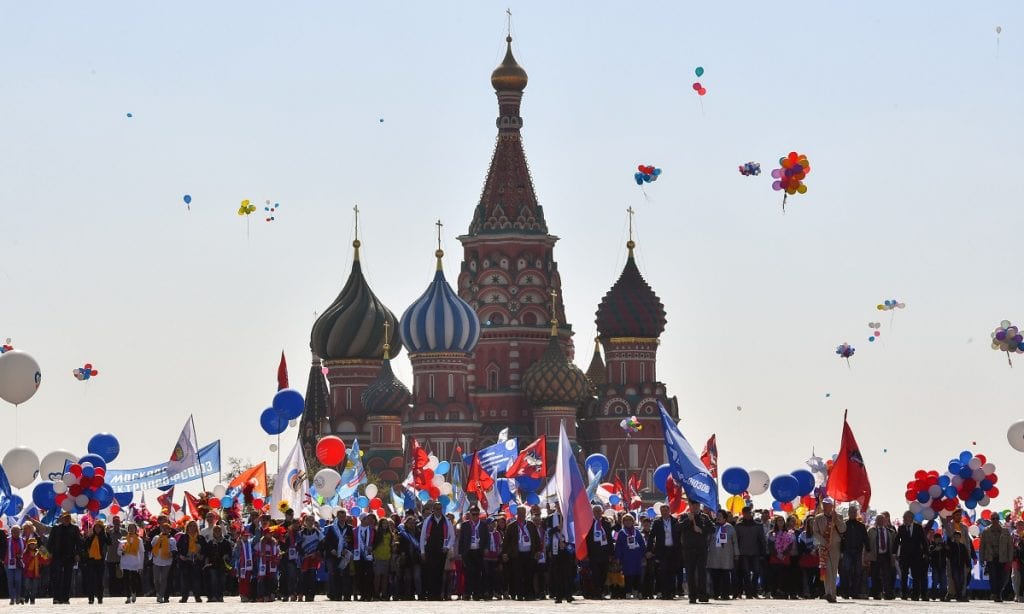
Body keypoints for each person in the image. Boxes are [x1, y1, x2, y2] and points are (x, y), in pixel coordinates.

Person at [811, 497, 846, 603]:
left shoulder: (838, 516)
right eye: (825, 504)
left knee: (833, 570)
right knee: (826, 570)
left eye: (828, 504)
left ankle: (833, 593)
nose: (826, 506)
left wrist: (836, 519)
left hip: (835, 546)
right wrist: (823, 541)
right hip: (823, 546)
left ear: (832, 506)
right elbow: (815, 532)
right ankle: (828, 593)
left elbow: (843, 529)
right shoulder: (818, 518)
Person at [502, 504, 540, 600]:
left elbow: (537, 539)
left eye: (523, 513)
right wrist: (505, 553)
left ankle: (529, 594)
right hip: (516, 554)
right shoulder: (511, 526)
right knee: (517, 575)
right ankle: (519, 594)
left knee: (529, 575)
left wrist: (538, 551)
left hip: (529, 554)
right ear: (517, 513)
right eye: (520, 513)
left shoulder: (531, 525)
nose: (522, 515)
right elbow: (505, 542)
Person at [679, 501, 713, 603]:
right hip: (689, 549)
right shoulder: (684, 516)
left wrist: (702, 529)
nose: (695, 507)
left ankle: (702, 595)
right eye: (693, 505)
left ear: (699, 506)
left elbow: (713, 528)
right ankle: (692, 596)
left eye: (697, 505)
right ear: (690, 506)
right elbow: (677, 528)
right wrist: (688, 521)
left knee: (702, 573)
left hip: (701, 549)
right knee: (690, 573)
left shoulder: (704, 517)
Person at [421, 502, 455, 600]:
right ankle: (431, 594)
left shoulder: (447, 521)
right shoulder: (428, 521)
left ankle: (438, 594)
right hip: (430, 550)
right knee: (430, 572)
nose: (438, 511)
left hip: (441, 551)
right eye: (436, 509)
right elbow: (423, 537)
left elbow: (452, 537)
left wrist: (447, 547)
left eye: (440, 509)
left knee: (440, 573)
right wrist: (422, 552)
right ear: (433, 509)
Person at [647, 504, 678, 600]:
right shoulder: (657, 522)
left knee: (672, 572)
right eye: (662, 511)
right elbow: (651, 537)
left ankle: (672, 592)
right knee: (663, 572)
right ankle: (665, 593)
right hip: (662, 550)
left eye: (666, 510)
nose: (664, 512)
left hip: (673, 550)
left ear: (669, 511)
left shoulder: (675, 521)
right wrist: (649, 550)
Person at [943, 508, 975, 602]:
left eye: (960, 515)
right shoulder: (949, 526)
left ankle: (962, 594)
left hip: (963, 554)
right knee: (950, 575)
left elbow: (968, 542)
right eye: (957, 515)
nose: (959, 517)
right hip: (952, 555)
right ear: (953, 516)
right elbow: (946, 539)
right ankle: (950, 593)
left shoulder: (964, 527)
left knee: (963, 576)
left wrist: (969, 556)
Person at [734, 506, 766, 599]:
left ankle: (754, 591)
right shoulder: (738, 526)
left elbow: (762, 540)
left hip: (755, 553)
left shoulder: (758, 526)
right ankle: (748, 593)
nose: (749, 514)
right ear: (743, 514)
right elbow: (736, 541)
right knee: (746, 573)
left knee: (756, 572)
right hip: (743, 553)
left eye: (750, 512)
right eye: (747, 513)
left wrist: (762, 553)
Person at [894, 511, 928, 600]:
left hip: (916, 556)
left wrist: (926, 553)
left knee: (916, 576)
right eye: (903, 518)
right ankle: (904, 593)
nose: (904, 519)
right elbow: (897, 541)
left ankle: (915, 594)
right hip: (904, 556)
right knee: (904, 575)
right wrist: (894, 553)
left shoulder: (918, 527)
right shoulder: (901, 528)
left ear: (911, 518)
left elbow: (923, 541)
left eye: (905, 517)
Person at [981, 514, 1013, 603]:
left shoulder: (1005, 531)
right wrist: (981, 559)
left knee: (1003, 577)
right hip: (991, 557)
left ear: (999, 519)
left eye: (996, 518)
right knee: (993, 577)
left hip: (1003, 557)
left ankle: (998, 592)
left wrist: (1010, 559)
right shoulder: (986, 531)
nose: (995, 520)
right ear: (991, 519)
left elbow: (1010, 546)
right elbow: (982, 546)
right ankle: (997, 594)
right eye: (993, 518)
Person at [546, 504, 575, 604]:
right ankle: (558, 595)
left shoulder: (569, 516)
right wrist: (557, 528)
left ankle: (568, 595)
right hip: (555, 548)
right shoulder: (550, 518)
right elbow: (548, 532)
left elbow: (572, 532)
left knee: (568, 573)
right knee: (557, 574)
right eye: (558, 504)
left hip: (567, 548)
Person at [458, 505, 488, 601]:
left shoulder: (483, 525)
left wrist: (486, 548)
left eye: (476, 514)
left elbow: (487, 538)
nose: (475, 516)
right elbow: (461, 540)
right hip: (468, 552)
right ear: (469, 514)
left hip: (479, 551)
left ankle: (476, 593)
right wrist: (460, 553)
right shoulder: (465, 525)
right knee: (469, 572)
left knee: (478, 572)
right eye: (473, 514)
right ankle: (467, 593)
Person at [707, 509, 738, 600]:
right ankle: (716, 594)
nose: (718, 518)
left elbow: (735, 542)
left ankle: (725, 594)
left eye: (720, 516)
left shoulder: (730, 527)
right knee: (715, 575)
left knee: (725, 576)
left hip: (726, 555)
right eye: (717, 516)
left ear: (725, 518)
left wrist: (736, 553)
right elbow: (708, 540)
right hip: (714, 555)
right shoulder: (713, 527)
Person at [584, 505, 614, 599]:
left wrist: (611, 553)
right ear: (592, 512)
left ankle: (601, 591)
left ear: (602, 512)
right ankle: (597, 592)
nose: (597, 512)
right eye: (595, 511)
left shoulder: (606, 523)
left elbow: (609, 539)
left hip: (604, 553)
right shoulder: (589, 523)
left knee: (603, 573)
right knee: (595, 574)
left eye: (599, 511)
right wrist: (586, 553)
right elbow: (586, 539)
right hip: (593, 553)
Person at [613, 514, 645, 599]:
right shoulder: (621, 533)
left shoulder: (637, 532)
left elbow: (642, 544)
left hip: (636, 556)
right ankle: (627, 591)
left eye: (630, 520)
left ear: (633, 521)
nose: (628, 522)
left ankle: (636, 591)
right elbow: (618, 546)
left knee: (637, 574)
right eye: (626, 520)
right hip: (626, 557)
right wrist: (618, 557)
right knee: (628, 575)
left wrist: (643, 556)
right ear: (623, 522)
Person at [324, 509, 353, 601]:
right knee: (335, 575)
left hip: (345, 555)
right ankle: (337, 595)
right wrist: (332, 549)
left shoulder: (349, 528)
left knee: (346, 575)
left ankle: (347, 595)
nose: (342, 518)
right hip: (334, 555)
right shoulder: (332, 528)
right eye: (340, 516)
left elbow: (352, 542)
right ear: (337, 517)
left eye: (343, 516)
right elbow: (327, 542)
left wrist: (347, 550)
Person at [865, 514, 895, 599]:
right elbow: (867, 544)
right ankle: (876, 593)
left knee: (887, 575)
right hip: (875, 556)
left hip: (886, 556)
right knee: (875, 575)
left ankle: (887, 593)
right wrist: (866, 557)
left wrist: (894, 556)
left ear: (885, 521)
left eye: (882, 520)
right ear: (876, 521)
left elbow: (894, 545)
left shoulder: (891, 531)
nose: (880, 521)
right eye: (878, 520)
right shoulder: (871, 531)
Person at [840, 505, 867, 599]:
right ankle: (845, 592)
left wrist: (868, 551)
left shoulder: (861, 526)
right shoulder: (844, 525)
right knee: (845, 572)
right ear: (848, 513)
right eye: (851, 512)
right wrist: (841, 551)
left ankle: (854, 592)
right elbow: (840, 539)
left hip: (858, 552)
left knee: (857, 572)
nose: (853, 514)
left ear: (856, 513)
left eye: (854, 512)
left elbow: (866, 540)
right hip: (847, 551)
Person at [81, 520, 110, 604]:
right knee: (91, 580)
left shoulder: (104, 536)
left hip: (100, 560)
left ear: (102, 528)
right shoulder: (91, 536)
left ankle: (100, 597)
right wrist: (87, 537)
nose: (97, 528)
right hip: (91, 560)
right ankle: (91, 598)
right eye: (96, 527)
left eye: (99, 527)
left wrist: (106, 534)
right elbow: (85, 545)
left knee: (99, 580)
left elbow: (109, 542)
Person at [767, 515, 796, 598]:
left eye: (782, 520)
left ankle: (784, 592)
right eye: (779, 520)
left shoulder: (788, 533)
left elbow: (790, 545)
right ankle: (775, 592)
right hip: (775, 557)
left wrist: (784, 554)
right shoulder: (771, 533)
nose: (780, 522)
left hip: (785, 557)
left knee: (785, 575)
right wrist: (777, 554)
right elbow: (770, 545)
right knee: (775, 575)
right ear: (775, 522)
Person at [203, 524, 233, 603]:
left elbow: (230, 552)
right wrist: (206, 563)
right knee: (214, 581)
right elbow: (206, 554)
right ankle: (214, 596)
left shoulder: (226, 542)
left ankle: (220, 596)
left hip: (222, 565)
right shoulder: (210, 543)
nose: (217, 532)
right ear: (213, 532)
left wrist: (226, 555)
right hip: (212, 565)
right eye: (215, 531)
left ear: (221, 532)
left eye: (219, 531)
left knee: (222, 581)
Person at [177, 520, 204, 603]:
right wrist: (181, 556)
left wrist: (201, 555)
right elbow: (178, 548)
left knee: (196, 580)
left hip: (196, 561)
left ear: (196, 528)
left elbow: (205, 549)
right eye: (190, 526)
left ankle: (197, 597)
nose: (192, 527)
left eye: (194, 526)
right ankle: (184, 597)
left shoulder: (200, 538)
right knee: (185, 580)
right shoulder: (183, 537)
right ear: (187, 528)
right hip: (186, 561)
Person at [118, 523, 145, 604]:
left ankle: (134, 593)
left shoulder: (139, 540)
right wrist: (121, 552)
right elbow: (118, 551)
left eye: (133, 528)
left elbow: (141, 552)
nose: (131, 529)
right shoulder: (123, 539)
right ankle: (128, 596)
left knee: (133, 580)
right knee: (126, 580)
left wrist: (141, 565)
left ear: (135, 529)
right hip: (125, 562)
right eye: (130, 528)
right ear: (128, 529)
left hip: (135, 563)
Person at [150, 522, 177, 603]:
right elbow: (151, 545)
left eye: (166, 528)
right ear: (160, 529)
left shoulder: (171, 539)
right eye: (163, 528)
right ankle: (158, 592)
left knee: (164, 579)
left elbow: (174, 550)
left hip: (167, 561)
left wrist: (171, 553)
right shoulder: (156, 537)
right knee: (156, 579)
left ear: (169, 530)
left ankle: (161, 595)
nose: (164, 529)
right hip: (156, 561)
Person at [354, 513, 377, 601]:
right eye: (367, 518)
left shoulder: (372, 530)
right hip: (358, 556)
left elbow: (376, 541)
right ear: (362, 520)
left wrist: (372, 547)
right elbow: (352, 541)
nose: (369, 520)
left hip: (368, 555)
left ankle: (369, 594)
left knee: (369, 575)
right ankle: (362, 594)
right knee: (359, 575)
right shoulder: (355, 530)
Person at [104, 514, 126, 598]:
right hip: (111, 558)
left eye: (118, 523)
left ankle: (121, 592)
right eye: (115, 523)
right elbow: (105, 545)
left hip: (122, 558)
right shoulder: (108, 532)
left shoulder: (124, 532)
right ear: (113, 523)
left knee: (121, 576)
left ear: (120, 523)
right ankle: (112, 592)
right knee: (112, 576)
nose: (117, 524)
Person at [372, 517, 393, 601]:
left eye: (386, 523)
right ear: (380, 524)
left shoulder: (390, 534)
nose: (385, 525)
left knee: (385, 577)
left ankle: (384, 594)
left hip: (387, 557)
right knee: (377, 576)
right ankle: (376, 593)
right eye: (383, 523)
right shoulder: (377, 533)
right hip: (378, 556)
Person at [21, 537, 45, 605]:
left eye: (34, 544)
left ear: (36, 545)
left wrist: (44, 552)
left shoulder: (39, 552)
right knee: (27, 587)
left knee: (34, 588)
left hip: (36, 573)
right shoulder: (25, 552)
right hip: (28, 573)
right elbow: (25, 562)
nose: (32, 545)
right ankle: (26, 596)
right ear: (28, 545)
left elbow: (46, 560)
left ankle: (32, 599)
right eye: (31, 544)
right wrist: (31, 557)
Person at [5, 524, 25, 605]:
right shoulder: (6, 540)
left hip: (18, 564)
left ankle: (18, 597)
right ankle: (12, 599)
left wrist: (21, 554)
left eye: (18, 531)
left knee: (17, 580)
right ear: (11, 532)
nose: (17, 533)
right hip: (8, 563)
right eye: (15, 532)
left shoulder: (23, 540)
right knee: (10, 581)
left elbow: (28, 549)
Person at [927, 528, 947, 601]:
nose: (938, 540)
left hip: (943, 566)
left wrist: (945, 548)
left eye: (940, 539)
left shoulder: (944, 546)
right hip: (935, 566)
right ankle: (933, 594)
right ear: (934, 540)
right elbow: (929, 554)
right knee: (935, 581)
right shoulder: (932, 546)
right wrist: (935, 550)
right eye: (937, 539)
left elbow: (948, 553)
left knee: (944, 581)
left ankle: (943, 595)